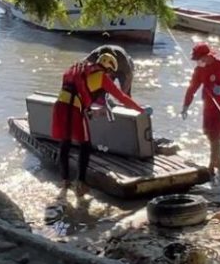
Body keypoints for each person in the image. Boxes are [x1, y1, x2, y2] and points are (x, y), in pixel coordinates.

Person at [52, 52, 150, 196]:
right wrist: (141, 110)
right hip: (75, 109)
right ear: (108, 69)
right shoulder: (101, 77)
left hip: (60, 106)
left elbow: (76, 91)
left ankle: (64, 181)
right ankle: (80, 183)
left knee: (65, 143)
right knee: (85, 145)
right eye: (111, 73)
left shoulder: (78, 69)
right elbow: (122, 97)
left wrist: (89, 109)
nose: (111, 76)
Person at [181, 42, 220, 178]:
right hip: (208, 104)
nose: (198, 62)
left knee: (215, 136)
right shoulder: (200, 70)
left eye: (199, 59)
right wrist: (186, 105)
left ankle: (211, 167)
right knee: (208, 133)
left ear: (207, 56)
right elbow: (192, 87)